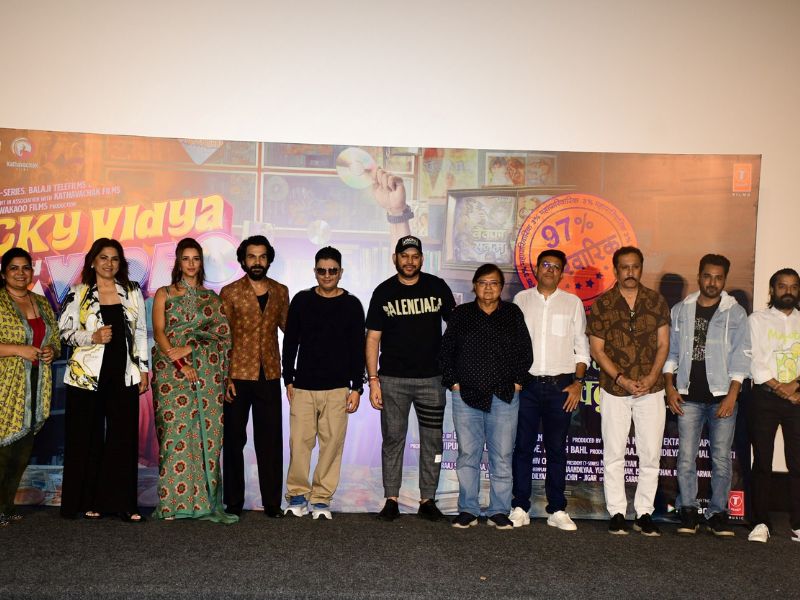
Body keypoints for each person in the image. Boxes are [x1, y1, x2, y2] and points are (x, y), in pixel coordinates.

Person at [59, 238, 149, 522]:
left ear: (120, 263)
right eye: (103, 258)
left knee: (123, 439)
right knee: (87, 439)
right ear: (93, 262)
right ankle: (88, 502)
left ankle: (124, 505)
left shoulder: (132, 291)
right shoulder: (78, 292)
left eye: (115, 258)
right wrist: (93, 337)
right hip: (86, 377)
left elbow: (140, 332)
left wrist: (143, 370)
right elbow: (64, 333)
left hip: (124, 373)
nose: (109, 263)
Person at [366, 235, 456, 521]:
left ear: (422, 259)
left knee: (432, 441)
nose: (409, 261)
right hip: (392, 380)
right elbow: (372, 338)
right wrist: (373, 379)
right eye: (404, 256)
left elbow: (456, 329)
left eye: (415, 256)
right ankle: (391, 499)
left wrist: (451, 367)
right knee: (393, 439)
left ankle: (427, 499)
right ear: (395, 258)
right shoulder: (383, 292)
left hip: (431, 380)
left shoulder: (437, 287)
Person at [151, 238, 236, 523]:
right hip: (169, 371)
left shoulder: (212, 299)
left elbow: (223, 338)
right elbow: (159, 332)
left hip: (205, 373)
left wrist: (192, 349)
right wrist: (179, 362)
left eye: (195, 258)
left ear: (201, 263)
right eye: (185, 258)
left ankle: (201, 504)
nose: (190, 264)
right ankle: (171, 503)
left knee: (202, 436)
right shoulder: (164, 293)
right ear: (178, 262)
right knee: (173, 434)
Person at [440, 264, 532, 529]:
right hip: (466, 395)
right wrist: (454, 383)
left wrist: (517, 382)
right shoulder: (461, 314)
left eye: (494, 283)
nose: (488, 288)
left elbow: (525, 352)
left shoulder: (512, 313)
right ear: (474, 286)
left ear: (501, 287)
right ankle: (468, 509)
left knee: (501, 456)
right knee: (468, 455)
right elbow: (445, 352)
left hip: (503, 395)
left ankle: (498, 510)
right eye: (483, 282)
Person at [664, 254, 750, 536]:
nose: (712, 282)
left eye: (718, 278)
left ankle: (717, 513)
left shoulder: (735, 313)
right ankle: (687, 510)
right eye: (707, 276)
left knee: (721, 459)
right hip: (687, 396)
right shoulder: (681, 310)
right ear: (699, 276)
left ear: (724, 280)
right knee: (685, 457)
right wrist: (669, 386)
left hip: (722, 397)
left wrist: (732, 395)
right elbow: (672, 353)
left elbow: (741, 357)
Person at [587, 246, 670, 536]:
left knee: (650, 454)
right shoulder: (603, 304)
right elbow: (597, 350)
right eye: (625, 267)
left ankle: (644, 512)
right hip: (614, 389)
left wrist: (652, 377)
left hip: (651, 388)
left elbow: (664, 344)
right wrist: (621, 379)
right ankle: (617, 512)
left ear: (641, 268)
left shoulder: (656, 301)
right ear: (616, 270)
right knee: (614, 453)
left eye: (635, 267)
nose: (630, 272)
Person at [281, 246, 365, 520]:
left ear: (341, 272)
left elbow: (358, 348)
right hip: (303, 386)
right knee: (299, 444)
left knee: (332, 446)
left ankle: (320, 500)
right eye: (322, 270)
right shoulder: (302, 300)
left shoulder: (352, 305)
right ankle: (297, 496)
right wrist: (288, 378)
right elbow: (290, 342)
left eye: (332, 271)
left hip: (338, 388)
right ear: (315, 271)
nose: (327, 275)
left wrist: (357, 387)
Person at [510, 250, 590, 531]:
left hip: (561, 387)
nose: (550, 270)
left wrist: (578, 383)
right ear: (536, 269)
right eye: (545, 265)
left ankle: (557, 509)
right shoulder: (521, 300)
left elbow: (582, 347)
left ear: (561, 273)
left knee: (556, 449)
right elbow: (513, 343)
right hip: (527, 385)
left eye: (556, 267)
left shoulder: (572, 303)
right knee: (523, 447)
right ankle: (520, 506)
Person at [220, 235, 289, 518]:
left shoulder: (281, 291)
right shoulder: (230, 292)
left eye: (262, 256)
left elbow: (290, 330)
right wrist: (225, 377)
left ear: (269, 260)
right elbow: (222, 337)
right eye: (252, 256)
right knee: (233, 441)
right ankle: (233, 502)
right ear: (243, 260)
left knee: (270, 440)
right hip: (237, 375)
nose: (257, 262)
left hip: (269, 374)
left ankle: (272, 502)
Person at [0, 248, 60, 526]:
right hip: (6, 384)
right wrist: (18, 349)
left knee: (22, 451)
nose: (21, 273)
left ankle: (6, 507)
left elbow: (55, 338)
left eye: (25, 267)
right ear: (4, 273)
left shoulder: (41, 302)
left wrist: (51, 351)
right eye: (14, 268)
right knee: (3, 449)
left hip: (36, 383)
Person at [746, 268, 800, 543]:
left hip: (798, 398)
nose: (788, 291)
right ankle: (760, 522)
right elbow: (754, 360)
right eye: (782, 286)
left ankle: (798, 523)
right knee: (763, 462)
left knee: (797, 462)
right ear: (772, 290)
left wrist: (795, 388)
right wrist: (781, 388)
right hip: (765, 398)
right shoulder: (757, 320)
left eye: (793, 287)